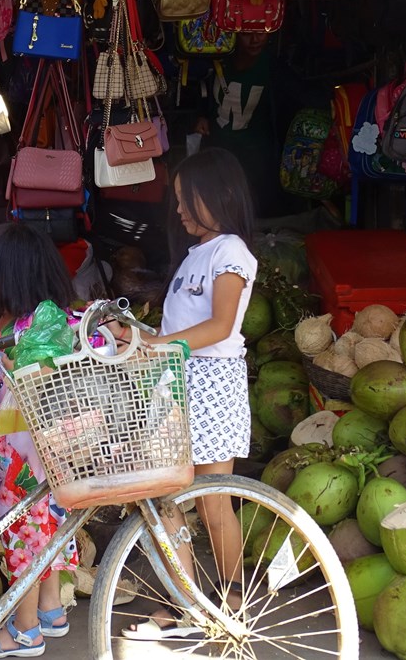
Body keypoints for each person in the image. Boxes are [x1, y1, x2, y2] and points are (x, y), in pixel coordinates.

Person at [122, 148, 257, 639]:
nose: (178, 211)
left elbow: (221, 326)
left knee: (213, 501)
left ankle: (232, 596)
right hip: (179, 383)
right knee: (169, 498)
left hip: (213, 384)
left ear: (215, 195)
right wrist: (138, 338)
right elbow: (179, 326)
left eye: (185, 200)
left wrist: (158, 346)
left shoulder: (232, 252)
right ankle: (184, 602)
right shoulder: (194, 257)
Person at [0, 223, 105, 659]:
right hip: (52, 447)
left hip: (22, 451)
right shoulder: (52, 316)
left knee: (25, 535)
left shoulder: (20, 325)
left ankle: (26, 629)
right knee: (46, 527)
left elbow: (24, 378)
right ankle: (51, 610)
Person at [194, 31, 295, 219]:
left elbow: (290, 103)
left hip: (257, 157)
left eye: (261, 34)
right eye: (247, 34)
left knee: (254, 210)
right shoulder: (217, 60)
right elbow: (200, 90)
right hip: (219, 152)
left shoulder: (273, 68)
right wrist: (201, 115)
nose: (255, 40)